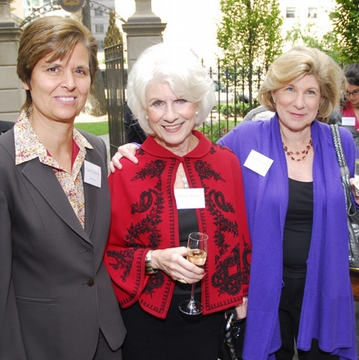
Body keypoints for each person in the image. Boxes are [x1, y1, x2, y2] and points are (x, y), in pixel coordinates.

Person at [110, 46, 359, 360]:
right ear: (274, 93)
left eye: (311, 92)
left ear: (323, 99)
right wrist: (133, 150)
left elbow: (347, 204)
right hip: (266, 286)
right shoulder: (246, 140)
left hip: (322, 280)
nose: (299, 102)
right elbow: (191, 156)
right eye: (290, 89)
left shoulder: (341, 143)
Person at [0, 16, 125, 360]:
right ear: (25, 78)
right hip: (42, 347)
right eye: (53, 69)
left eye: (80, 71)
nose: (69, 83)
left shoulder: (95, 151)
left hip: (106, 340)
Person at [103, 43, 251, 360]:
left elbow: (241, 239)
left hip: (211, 318)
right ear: (144, 111)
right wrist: (153, 259)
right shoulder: (126, 170)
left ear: (197, 105)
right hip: (146, 323)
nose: (170, 115)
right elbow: (106, 253)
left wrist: (242, 292)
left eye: (181, 100)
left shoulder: (225, 163)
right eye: (157, 103)